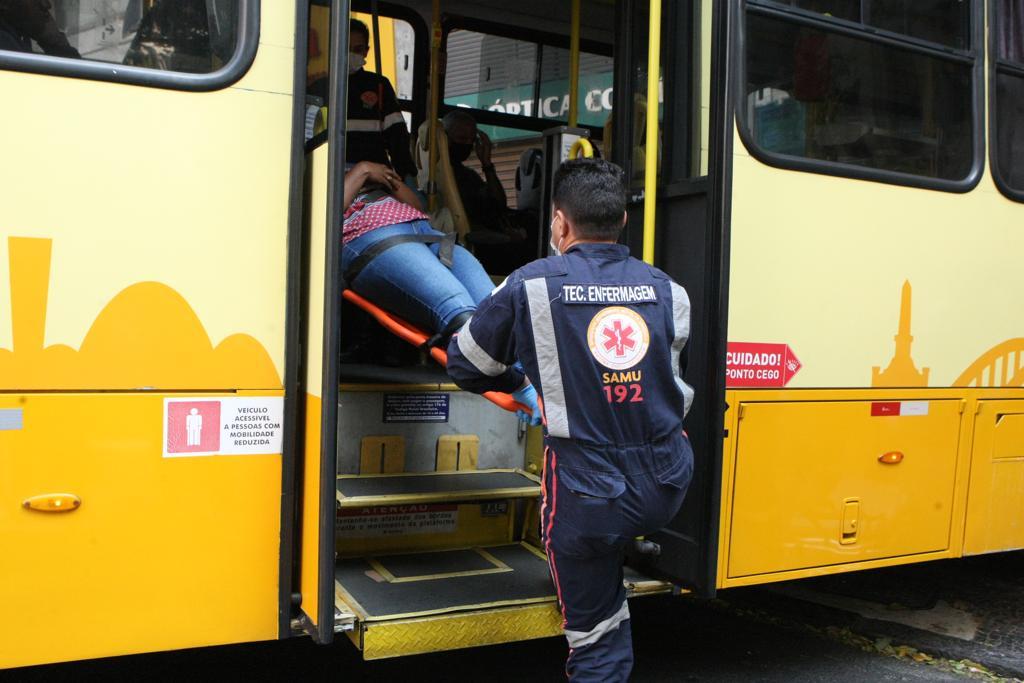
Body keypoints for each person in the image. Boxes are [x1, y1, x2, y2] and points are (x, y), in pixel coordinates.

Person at [446, 158, 694, 681]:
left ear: (559, 223)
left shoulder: (530, 285)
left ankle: (601, 603)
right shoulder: (669, 290)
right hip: (669, 480)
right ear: (622, 220)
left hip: (588, 494)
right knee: (610, 531)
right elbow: (665, 379)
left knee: (595, 636)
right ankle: (619, 557)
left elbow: (467, 364)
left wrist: (522, 383)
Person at [342, 160, 494, 343]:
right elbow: (326, 214)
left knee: (498, 313)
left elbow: (417, 209)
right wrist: (363, 170)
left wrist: (386, 177)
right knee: (460, 312)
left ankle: (517, 368)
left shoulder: (374, 178)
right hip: (375, 235)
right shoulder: (320, 172)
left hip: (428, 233)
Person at [311, 19, 416, 181]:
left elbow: (397, 138)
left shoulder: (379, 85)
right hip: (330, 177)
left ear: (366, 52)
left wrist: (407, 177)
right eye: (346, 48)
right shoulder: (320, 87)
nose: (351, 54)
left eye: (357, 49)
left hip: (376, 177)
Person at [442, 109, 537, 272]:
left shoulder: (468, 175)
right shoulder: (441, 176)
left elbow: (498, 203)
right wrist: (505, 235)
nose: (466, 145)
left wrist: (486, 163)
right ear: (445, 139)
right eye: (461, 139)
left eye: (471, 141)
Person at [0, 0, 80, 57]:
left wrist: (54, 39)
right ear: (5, 3)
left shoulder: (20, 37)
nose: (47, 5)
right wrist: (55, 42)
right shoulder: (5, 43)